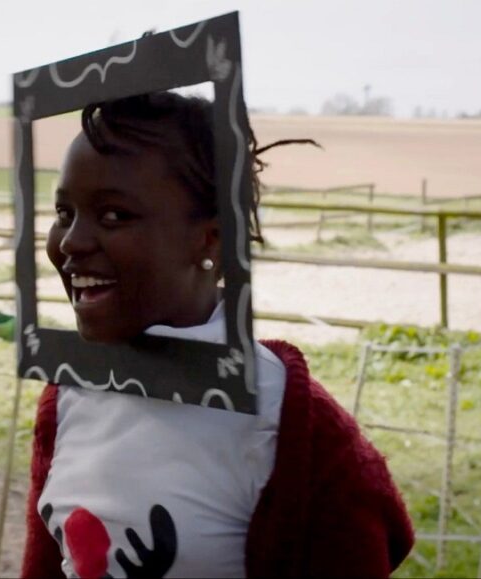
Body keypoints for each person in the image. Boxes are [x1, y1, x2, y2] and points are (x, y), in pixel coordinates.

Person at [22, 92, 413, 578]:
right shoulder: (69, 395)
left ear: (211, 238)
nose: (71, 243)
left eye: (114, 216)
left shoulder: (291, 427)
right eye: (64, 214)